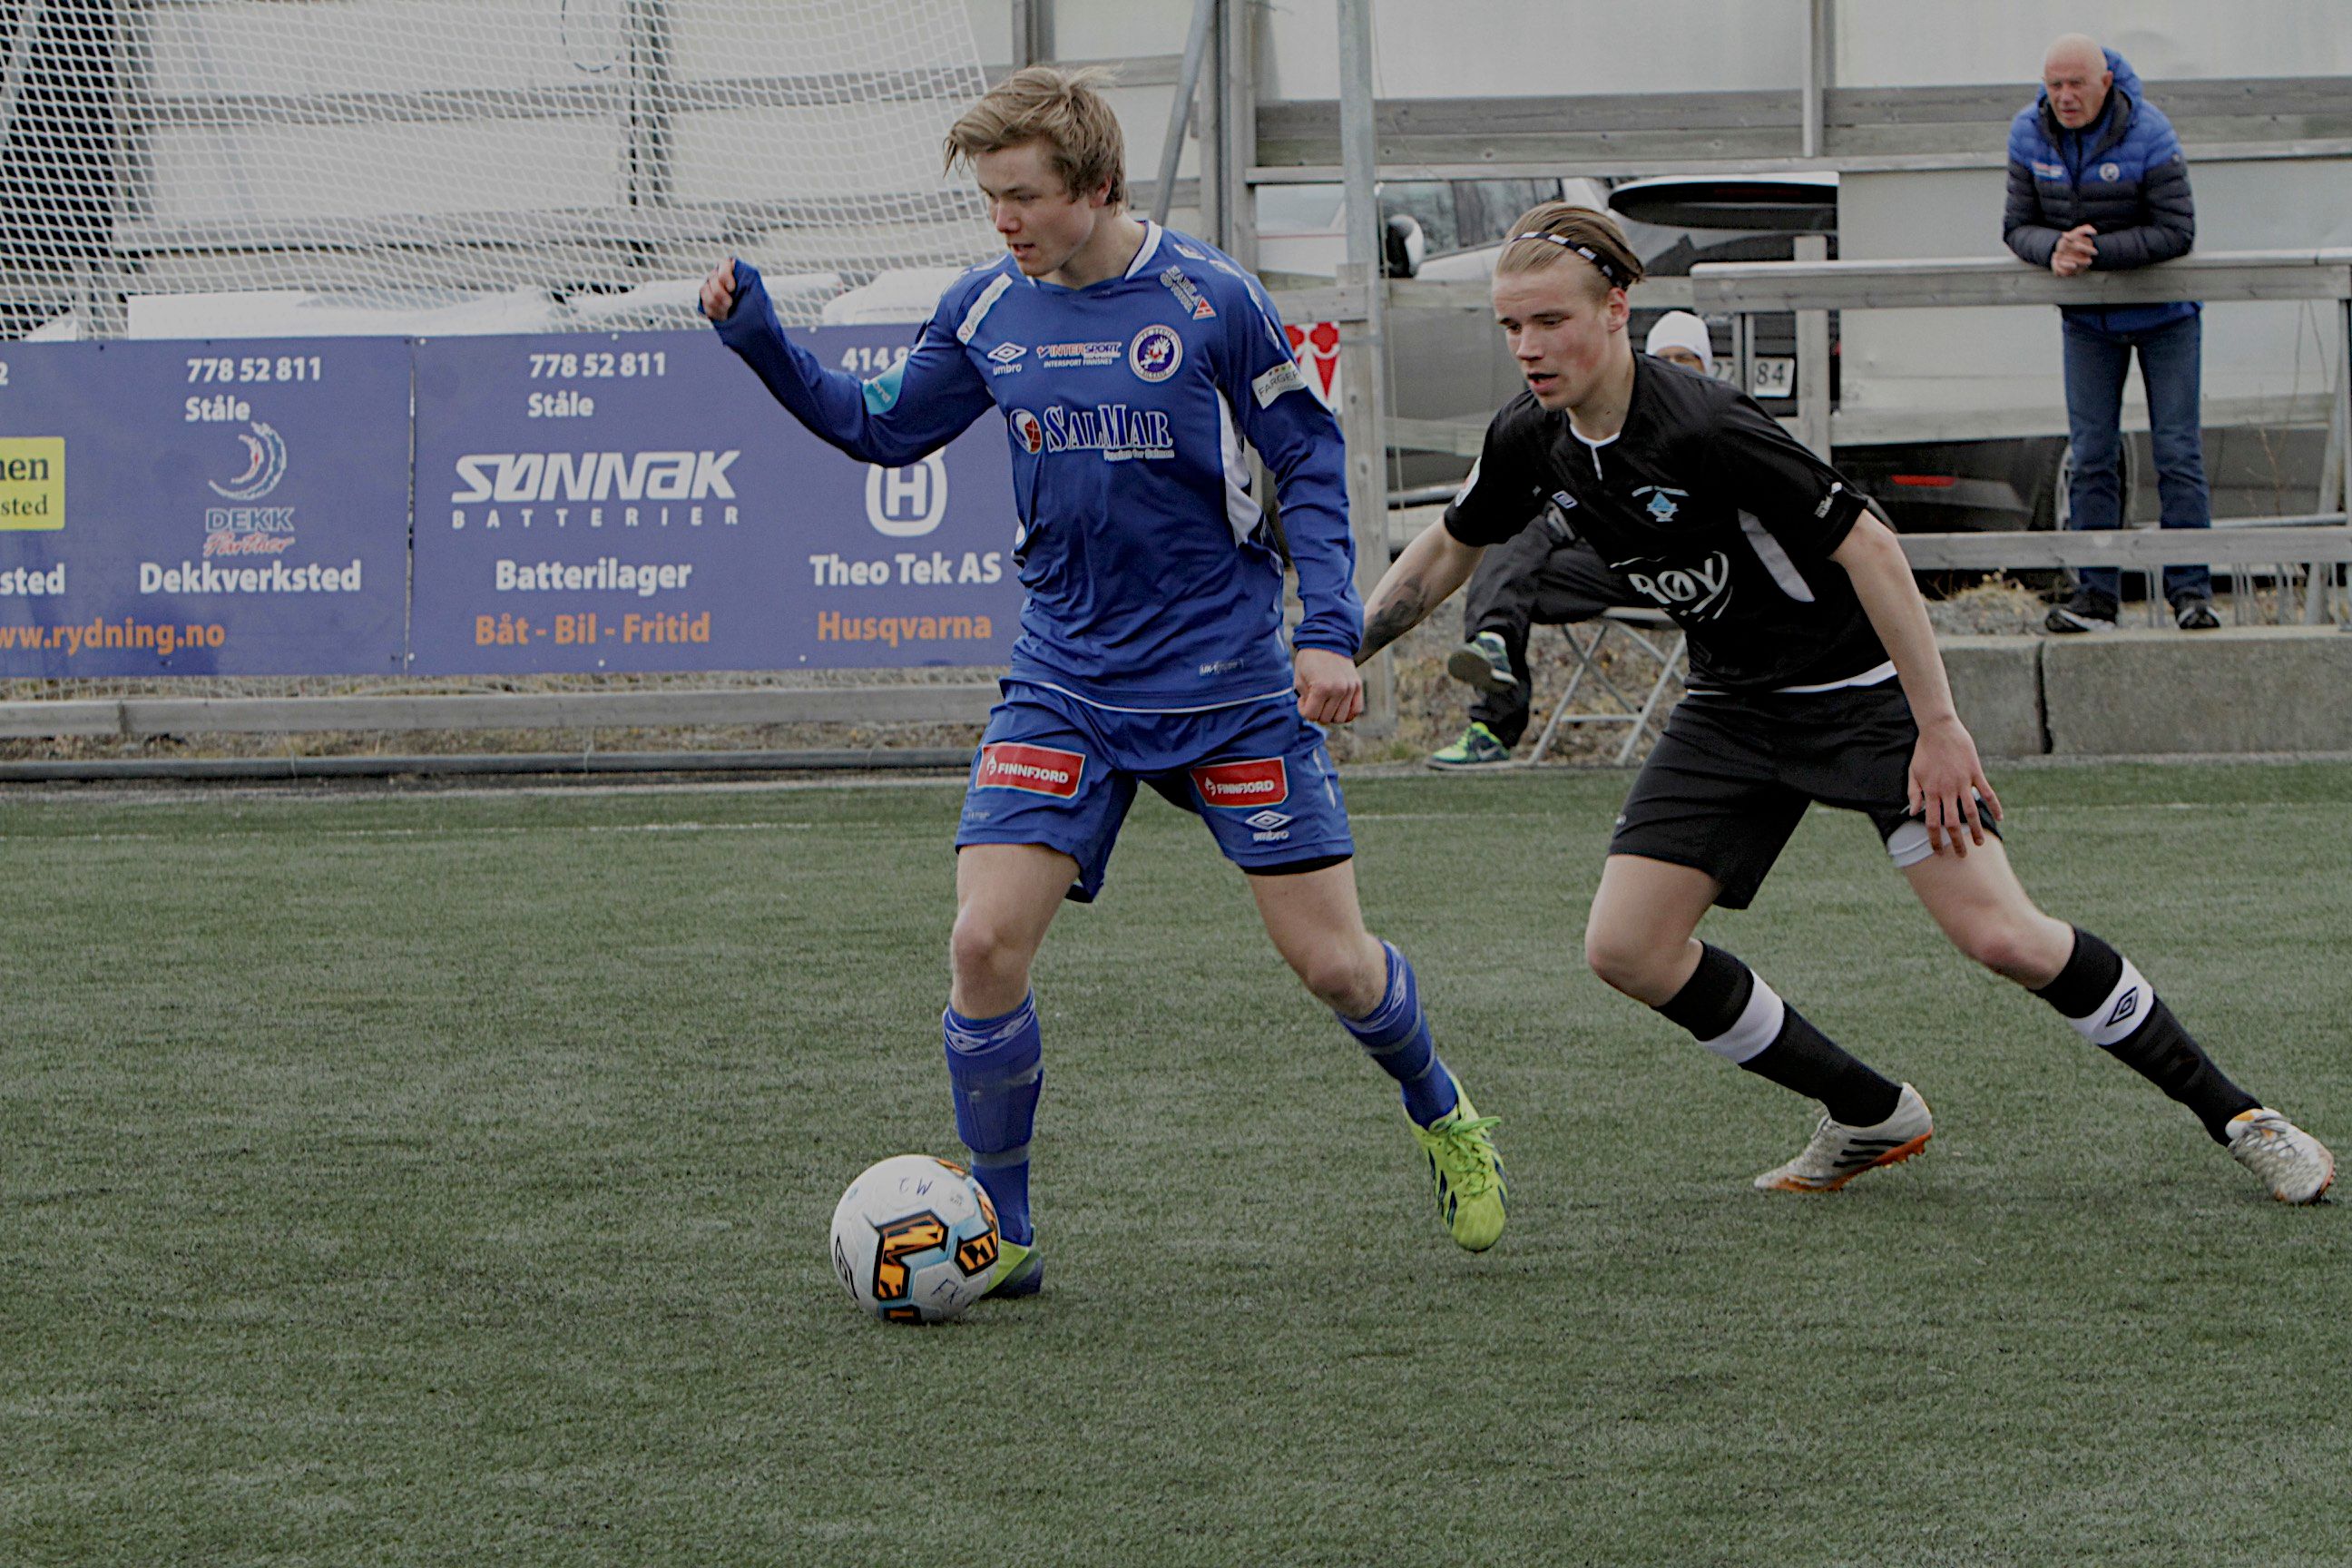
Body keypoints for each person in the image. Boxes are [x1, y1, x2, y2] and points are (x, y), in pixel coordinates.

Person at [700, 67, 1507, 1294]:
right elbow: (880, 427)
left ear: (1099, 186)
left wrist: (1327, 631)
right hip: (1065, 680)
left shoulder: (1210, 299)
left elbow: (1307, 459)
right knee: (983, 944)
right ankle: (1008, 1230)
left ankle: (1442, 1112)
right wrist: (758, 336)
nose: (1004, 220)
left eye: (1024, 195)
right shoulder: (985, 307)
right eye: (991, 198)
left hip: (1226, 685)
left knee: (1337, 966)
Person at [1359, 201, 2332, 1203]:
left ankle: (2241, 1116)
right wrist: (1342, 655)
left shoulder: (1706, 424)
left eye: (1549, 321)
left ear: (1616, 309)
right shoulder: (1532, 437)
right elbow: (1448, 546)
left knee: (2004, 937)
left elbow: (1869, 545)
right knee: (1627, 949)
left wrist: (1938, 726)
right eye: (1510, 326)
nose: (1527, 347)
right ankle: (1870, 1112)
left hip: (1863, 699)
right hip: (1732, 707)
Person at [1427, 314, 1711, 769]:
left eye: (1686, 359)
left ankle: (1494, 701)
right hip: (1612, 566)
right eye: (1665, 358)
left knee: (1507, 581)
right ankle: (1493, 653)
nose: (1674, 367)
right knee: (1511, 559)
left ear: (1706, 367)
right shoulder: (1620, 422)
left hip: (1691, 577)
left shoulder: (1712, 425)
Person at [2004, 34, 2220, 634]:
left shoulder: (2151, 131)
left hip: (2166, 317)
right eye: (2054, 85)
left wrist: (2092, 253)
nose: (2065, 97)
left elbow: (2177, 231)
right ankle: (2095, 596)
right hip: (2087, 321)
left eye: (2076, 84)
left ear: (2105, 83)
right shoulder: (2027, 132)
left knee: (2177, 452)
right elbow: (2017, 226)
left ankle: (2190, 593)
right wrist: (2053, 248)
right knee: (2092, 455)